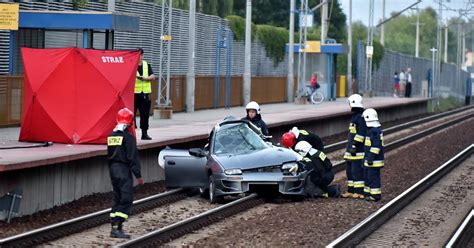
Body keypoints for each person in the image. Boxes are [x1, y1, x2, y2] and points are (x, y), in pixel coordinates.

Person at [107, 108, 145, 238]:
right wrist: (138, 175)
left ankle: (114, 227)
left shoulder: (111, 136)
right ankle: (118, 226)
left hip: (113, 169)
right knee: (126, 198)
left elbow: (109, 154)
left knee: (117, 197)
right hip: (123, 169)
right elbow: (132, 157)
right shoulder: (128, 137)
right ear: (130, 122)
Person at [342, 94, 367, 199]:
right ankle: (351, 191)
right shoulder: (355, 116)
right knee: (350, 172)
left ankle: (359, 192)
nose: (349, 106)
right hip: (351, 150)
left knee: (357, 172)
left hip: (357, 151)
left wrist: (355, 146)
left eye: (350, 104)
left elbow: (361, 134)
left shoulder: (361, 117)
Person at [362, 108, 385, 202]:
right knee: (368, 176)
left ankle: (375, 195)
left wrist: (370, 157)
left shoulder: (374, 131)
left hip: (374, 161)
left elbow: (376, 146)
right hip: (370, 160)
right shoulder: (372, 130)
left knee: (373, 177)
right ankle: (368, 193)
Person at [134, 48, 156, 140]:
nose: (140, 57)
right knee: (131, 115)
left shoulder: (147, 65)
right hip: (134, 94)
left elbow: (153, 76)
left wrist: (145, 78)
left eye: (141, 55)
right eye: (138, 55)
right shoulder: (132, 65)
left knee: (145, 115)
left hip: (144, 94)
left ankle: (144, 133)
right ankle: (131, 134)